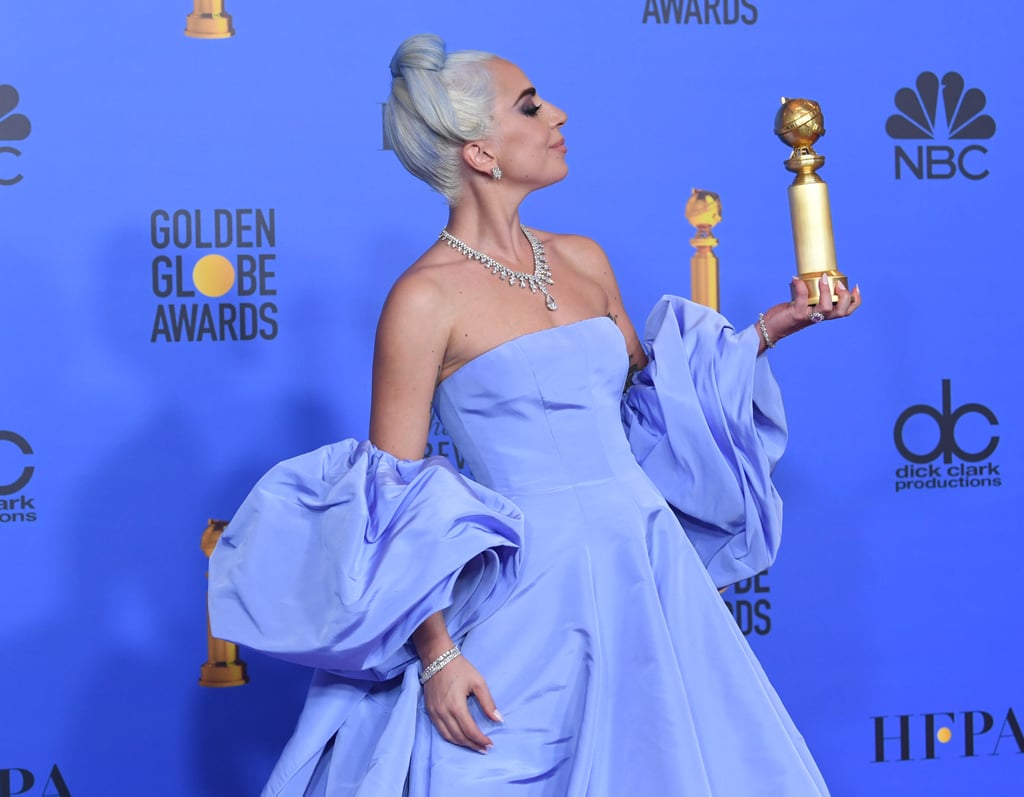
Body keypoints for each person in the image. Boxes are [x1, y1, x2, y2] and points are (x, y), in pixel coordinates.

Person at [209, 33, 859, 797]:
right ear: (480, 151)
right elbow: (394, 499)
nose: (559, 113)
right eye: (530, 106)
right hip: (528, 593)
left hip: (643, 568)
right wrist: (441, 655)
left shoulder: (585, 258)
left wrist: (771, 329)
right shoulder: (423, 299)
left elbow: (651, 416)